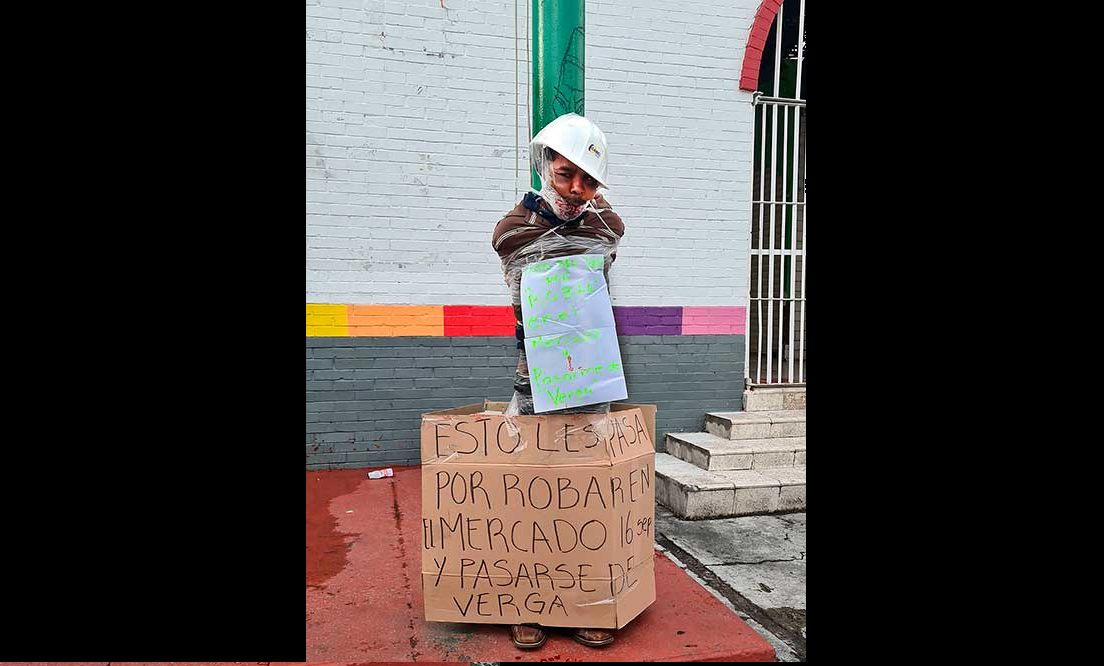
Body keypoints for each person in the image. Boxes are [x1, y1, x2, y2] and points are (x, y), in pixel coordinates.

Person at [490, 113, 625, 650]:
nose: (576, 189)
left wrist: (582, 213)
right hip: (536, 383)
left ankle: (586, 600)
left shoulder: (598, 220)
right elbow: (507, 240)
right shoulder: (521, 222)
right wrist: (550, 212)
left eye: (588, 180)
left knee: (587, 498)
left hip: (590, 378)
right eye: (566, 174)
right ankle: (528, 606)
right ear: (545, 167)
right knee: (527, 494)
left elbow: (613, 232)